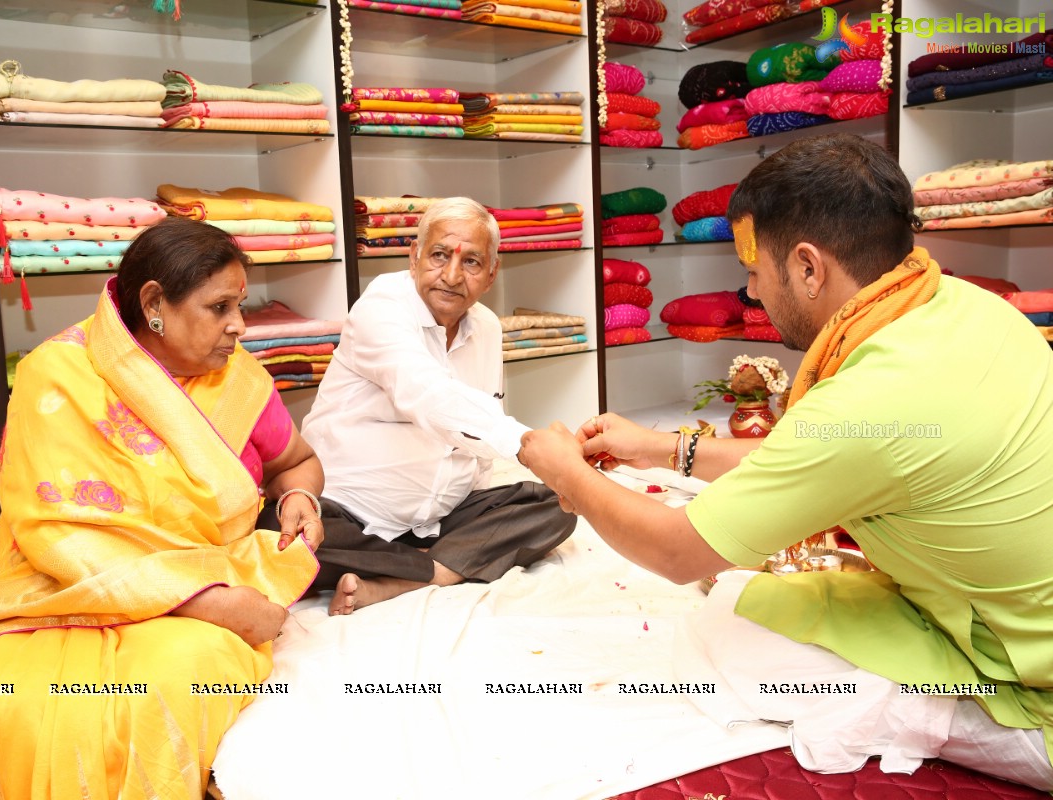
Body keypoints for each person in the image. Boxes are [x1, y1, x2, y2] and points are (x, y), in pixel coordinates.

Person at [518, 133, 1053, 790]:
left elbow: (680, 551)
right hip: (998, 613)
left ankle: (928, 713)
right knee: (771, 596)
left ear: (807, 267)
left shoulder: (867, 401)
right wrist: (661, 447)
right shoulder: (963, 306)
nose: (750, 294)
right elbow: (813, 454)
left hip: (1034, 689)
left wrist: (565, 471)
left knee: (733, 622)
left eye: (752, 272)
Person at [0, 216, 324, 799]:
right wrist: (213, 605)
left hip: (205, 589)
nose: (240, 326)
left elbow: (297, 462)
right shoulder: (56, 375)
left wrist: (301, 497)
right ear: (154, 303)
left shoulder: (238, 380)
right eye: (219, 307)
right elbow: (55, 532)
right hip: (68, 590)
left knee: (165, 691)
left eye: (242, 304)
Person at [292, 196, 576, 615]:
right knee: (288, 537)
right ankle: (444, 566)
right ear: (414, 257)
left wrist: (487, 509)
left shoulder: (487, 328)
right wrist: (527, 442)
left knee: (560, 505)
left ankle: (405, 577)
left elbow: (481, 423)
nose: (452, 276)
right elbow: (426, 392)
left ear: (493, 272)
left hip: (441, 517)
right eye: (439, 256)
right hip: (350, 513)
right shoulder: (382, 307)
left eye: (472, 263)